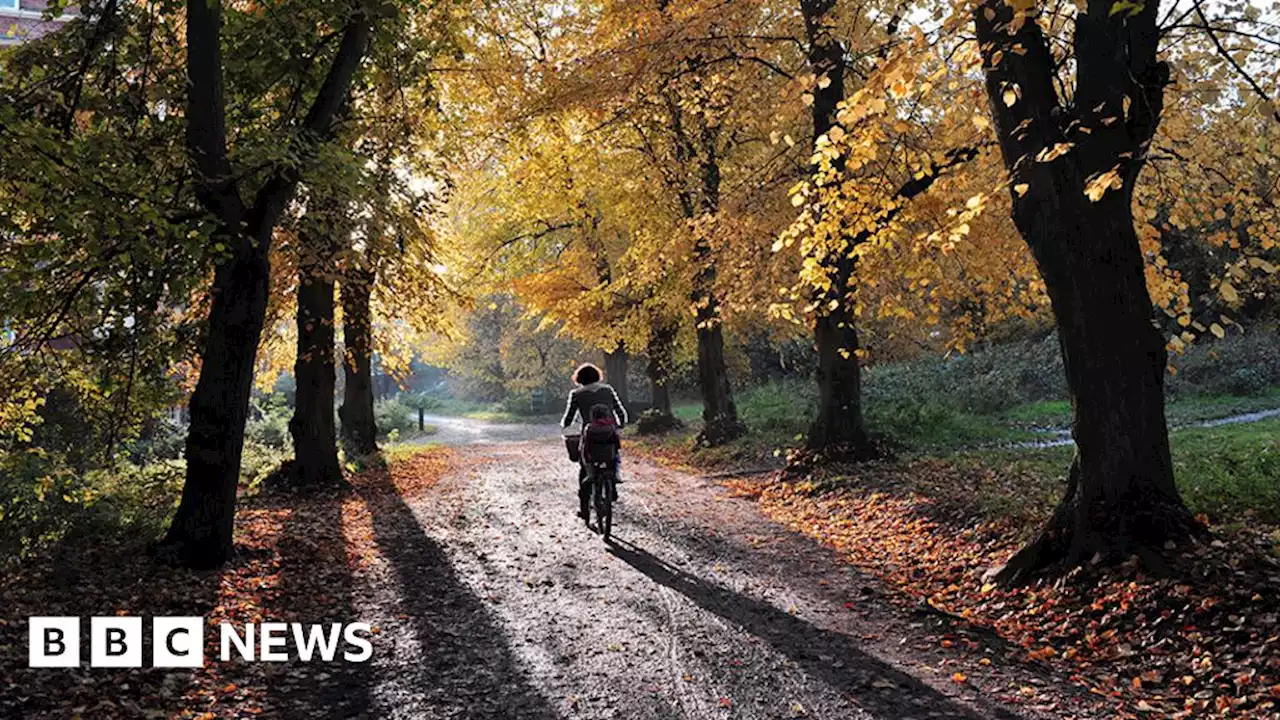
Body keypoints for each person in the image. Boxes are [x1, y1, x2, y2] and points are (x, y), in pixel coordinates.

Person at [561, 362, 627, 520]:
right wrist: (621, 424)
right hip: (609, 431)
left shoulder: (576, 394)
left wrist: (565, 425)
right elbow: (620, 411)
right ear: (597, 376)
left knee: (585, 468)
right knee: (613, 454)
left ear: (579, 379)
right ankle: (613, 482)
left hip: (589, 434)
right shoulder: (608, 390)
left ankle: (584, 510)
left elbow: (568, 418)